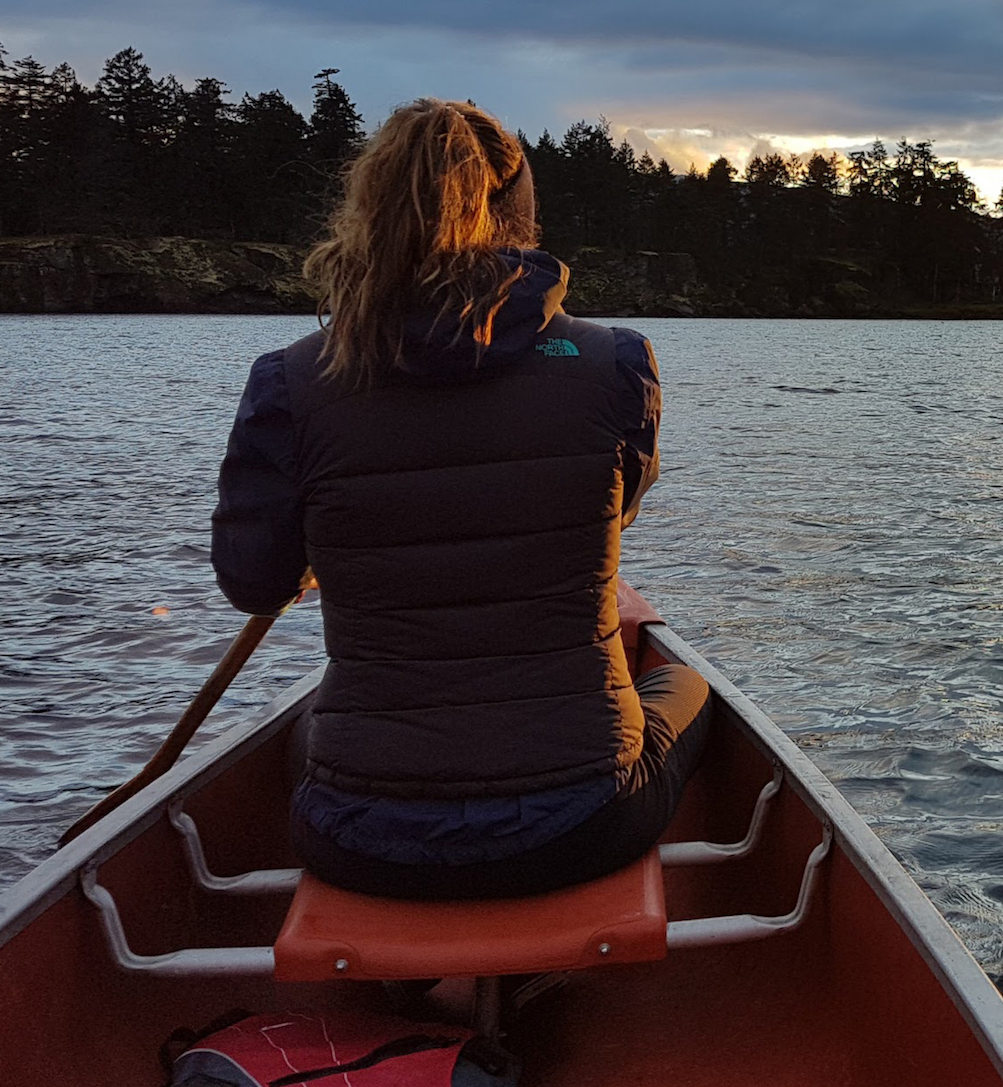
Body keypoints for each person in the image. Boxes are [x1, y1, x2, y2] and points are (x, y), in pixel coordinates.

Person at [209, 98, 706, 900]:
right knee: (687, 688)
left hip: (356, 836)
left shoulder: (290, 381)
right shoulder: (616, 361)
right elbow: (613, 512)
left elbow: (253, 584)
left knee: (311, 728)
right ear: (519, 214)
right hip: (579, 822)